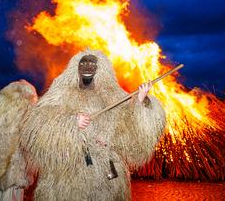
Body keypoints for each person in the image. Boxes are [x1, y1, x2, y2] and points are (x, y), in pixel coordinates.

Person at [20, 49, 167, 200]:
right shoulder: (61, 93)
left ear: (100, 68)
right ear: (75, 68)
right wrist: (70, 123)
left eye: (92, 64)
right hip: (67, 179)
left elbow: (130, 133)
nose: (87, 67)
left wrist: (140, 103)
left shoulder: (113, 95)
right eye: (83, 63)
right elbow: (36, 126)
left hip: (107, 177)